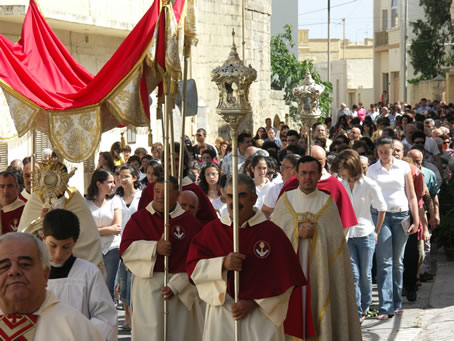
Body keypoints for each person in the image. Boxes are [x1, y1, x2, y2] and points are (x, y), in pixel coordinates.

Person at [186, 174, 306, 341]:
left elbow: (287, 280)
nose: (235, 202)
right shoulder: (212, 231)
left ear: (254, 198)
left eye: (242, 196)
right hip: (222, 312)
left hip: (261, 316)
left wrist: (255, 303)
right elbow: (193, 268)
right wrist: (222, 264)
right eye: (230, 196)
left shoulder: (272, 233)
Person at [272, 156, 361, 340]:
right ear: (296, 174)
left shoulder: (327, 203)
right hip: (292, 277)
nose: (307, 177)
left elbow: (336, 244)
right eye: (303, 173)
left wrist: (316, 233)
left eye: (312, 173)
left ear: (320, 175)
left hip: (320, 275)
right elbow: (276, 239)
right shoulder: (285, 201)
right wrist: (297, 231)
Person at [120, 176, 204, 341]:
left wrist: (178, 285)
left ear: (176, 195)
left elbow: (200, 261)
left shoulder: (189, 222)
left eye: (165, 192)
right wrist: (153, 248)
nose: (160, 196)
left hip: (178, 291)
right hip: (148, 287)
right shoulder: (140, 219)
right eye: (157, 192)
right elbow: (126, 250)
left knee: (179, 334)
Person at [0, 232, 104, 340]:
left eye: (24, 264)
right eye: (4, 266)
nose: (14, 271)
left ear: (45, 274)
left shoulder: (76, 327)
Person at [43, 209, 117, 340]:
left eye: (66, 247)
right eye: (53, 246)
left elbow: (106, 317)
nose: (58, 254)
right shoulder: (33, 273)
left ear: (75, 241)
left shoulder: (88, 272)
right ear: (43, 238)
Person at [366, 136, 419, 319]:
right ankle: (385, 305)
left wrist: (416, 219)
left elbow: (411, 195)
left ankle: (396, 302)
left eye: (386, 152)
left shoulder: (403, 167)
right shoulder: (372, 170)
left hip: (402, 215)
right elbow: (368, 196)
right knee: (384, 261)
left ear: (393, 150)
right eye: (379, 152)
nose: (383, 156)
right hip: (380, 216)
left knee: (398, 261)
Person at [18, 161, 104, 274]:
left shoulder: (75, 198)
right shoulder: (36, 200)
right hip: (42, 269)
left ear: (65, 179)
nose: (52, 185)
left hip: (75, 271)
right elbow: (24, 237)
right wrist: (41, 224)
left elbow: (89, 239)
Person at [334, 149, 387, 323]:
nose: (341, 171)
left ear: (352, 167)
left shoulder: (369, 184)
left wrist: (376, 232)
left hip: (366, 234)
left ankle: (365, 306)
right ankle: (357, 311)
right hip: (347, 235)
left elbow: (382, 208)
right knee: (354, 275)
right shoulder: (340, 184)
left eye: (344, 168)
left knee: (365, 274)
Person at [278, 145, 358, 229]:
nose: (313, 164)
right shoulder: (292, 184)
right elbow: (280, 218)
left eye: (318, 161)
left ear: (325, 161)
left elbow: (344, 224)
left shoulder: (335, 186)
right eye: (310, 160)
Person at [138, 143, 217, 225]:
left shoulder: (195, 191)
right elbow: (141, 219)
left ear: (184, 164)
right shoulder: (151, 189)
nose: (171, 163)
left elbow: (210, 223)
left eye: (176, 160)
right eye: (168, 159)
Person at [85, 168, 122, 299]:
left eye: (113, 182)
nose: (113, 185)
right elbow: (85, 229)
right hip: (93, 248)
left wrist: (96, 231)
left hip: (112, 248)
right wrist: (107, 230)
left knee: (108, 284)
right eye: (109, 182)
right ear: (99, 184)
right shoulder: (86, 203)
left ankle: (109, 316)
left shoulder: (115, 201)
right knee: (93, 284)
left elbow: (117, 228)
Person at [115, 164, 142, 330]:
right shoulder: (115, 198)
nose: (122, 179)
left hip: (138, 245)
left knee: (136, 282)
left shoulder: (142, 196)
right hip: (119, 244)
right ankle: (127, 317)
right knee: (123, 282)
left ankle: (137, 317)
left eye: (126, 176)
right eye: (120, 176)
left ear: (134, 178)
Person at [261, 154, 299, 219]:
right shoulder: (275, 189)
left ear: (297, 169)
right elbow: (265, 212)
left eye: (285, 167)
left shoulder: (308, 188)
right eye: (281, 167)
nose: (281, 170)